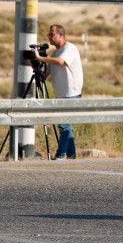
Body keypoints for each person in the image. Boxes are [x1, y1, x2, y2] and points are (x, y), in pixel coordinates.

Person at [32, 24, 84, 159]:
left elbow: (61, 62)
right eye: (48, 34)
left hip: (71, 94)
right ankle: (72, 156)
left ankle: (60, 155)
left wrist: (40, 58)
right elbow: (45, 75)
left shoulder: (70, 48)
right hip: (61, 94)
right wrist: (33, 64)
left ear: (60, 35)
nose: (49, 37)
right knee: (66, 127)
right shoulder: (54, 54)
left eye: (51, 34)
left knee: (64, 126)